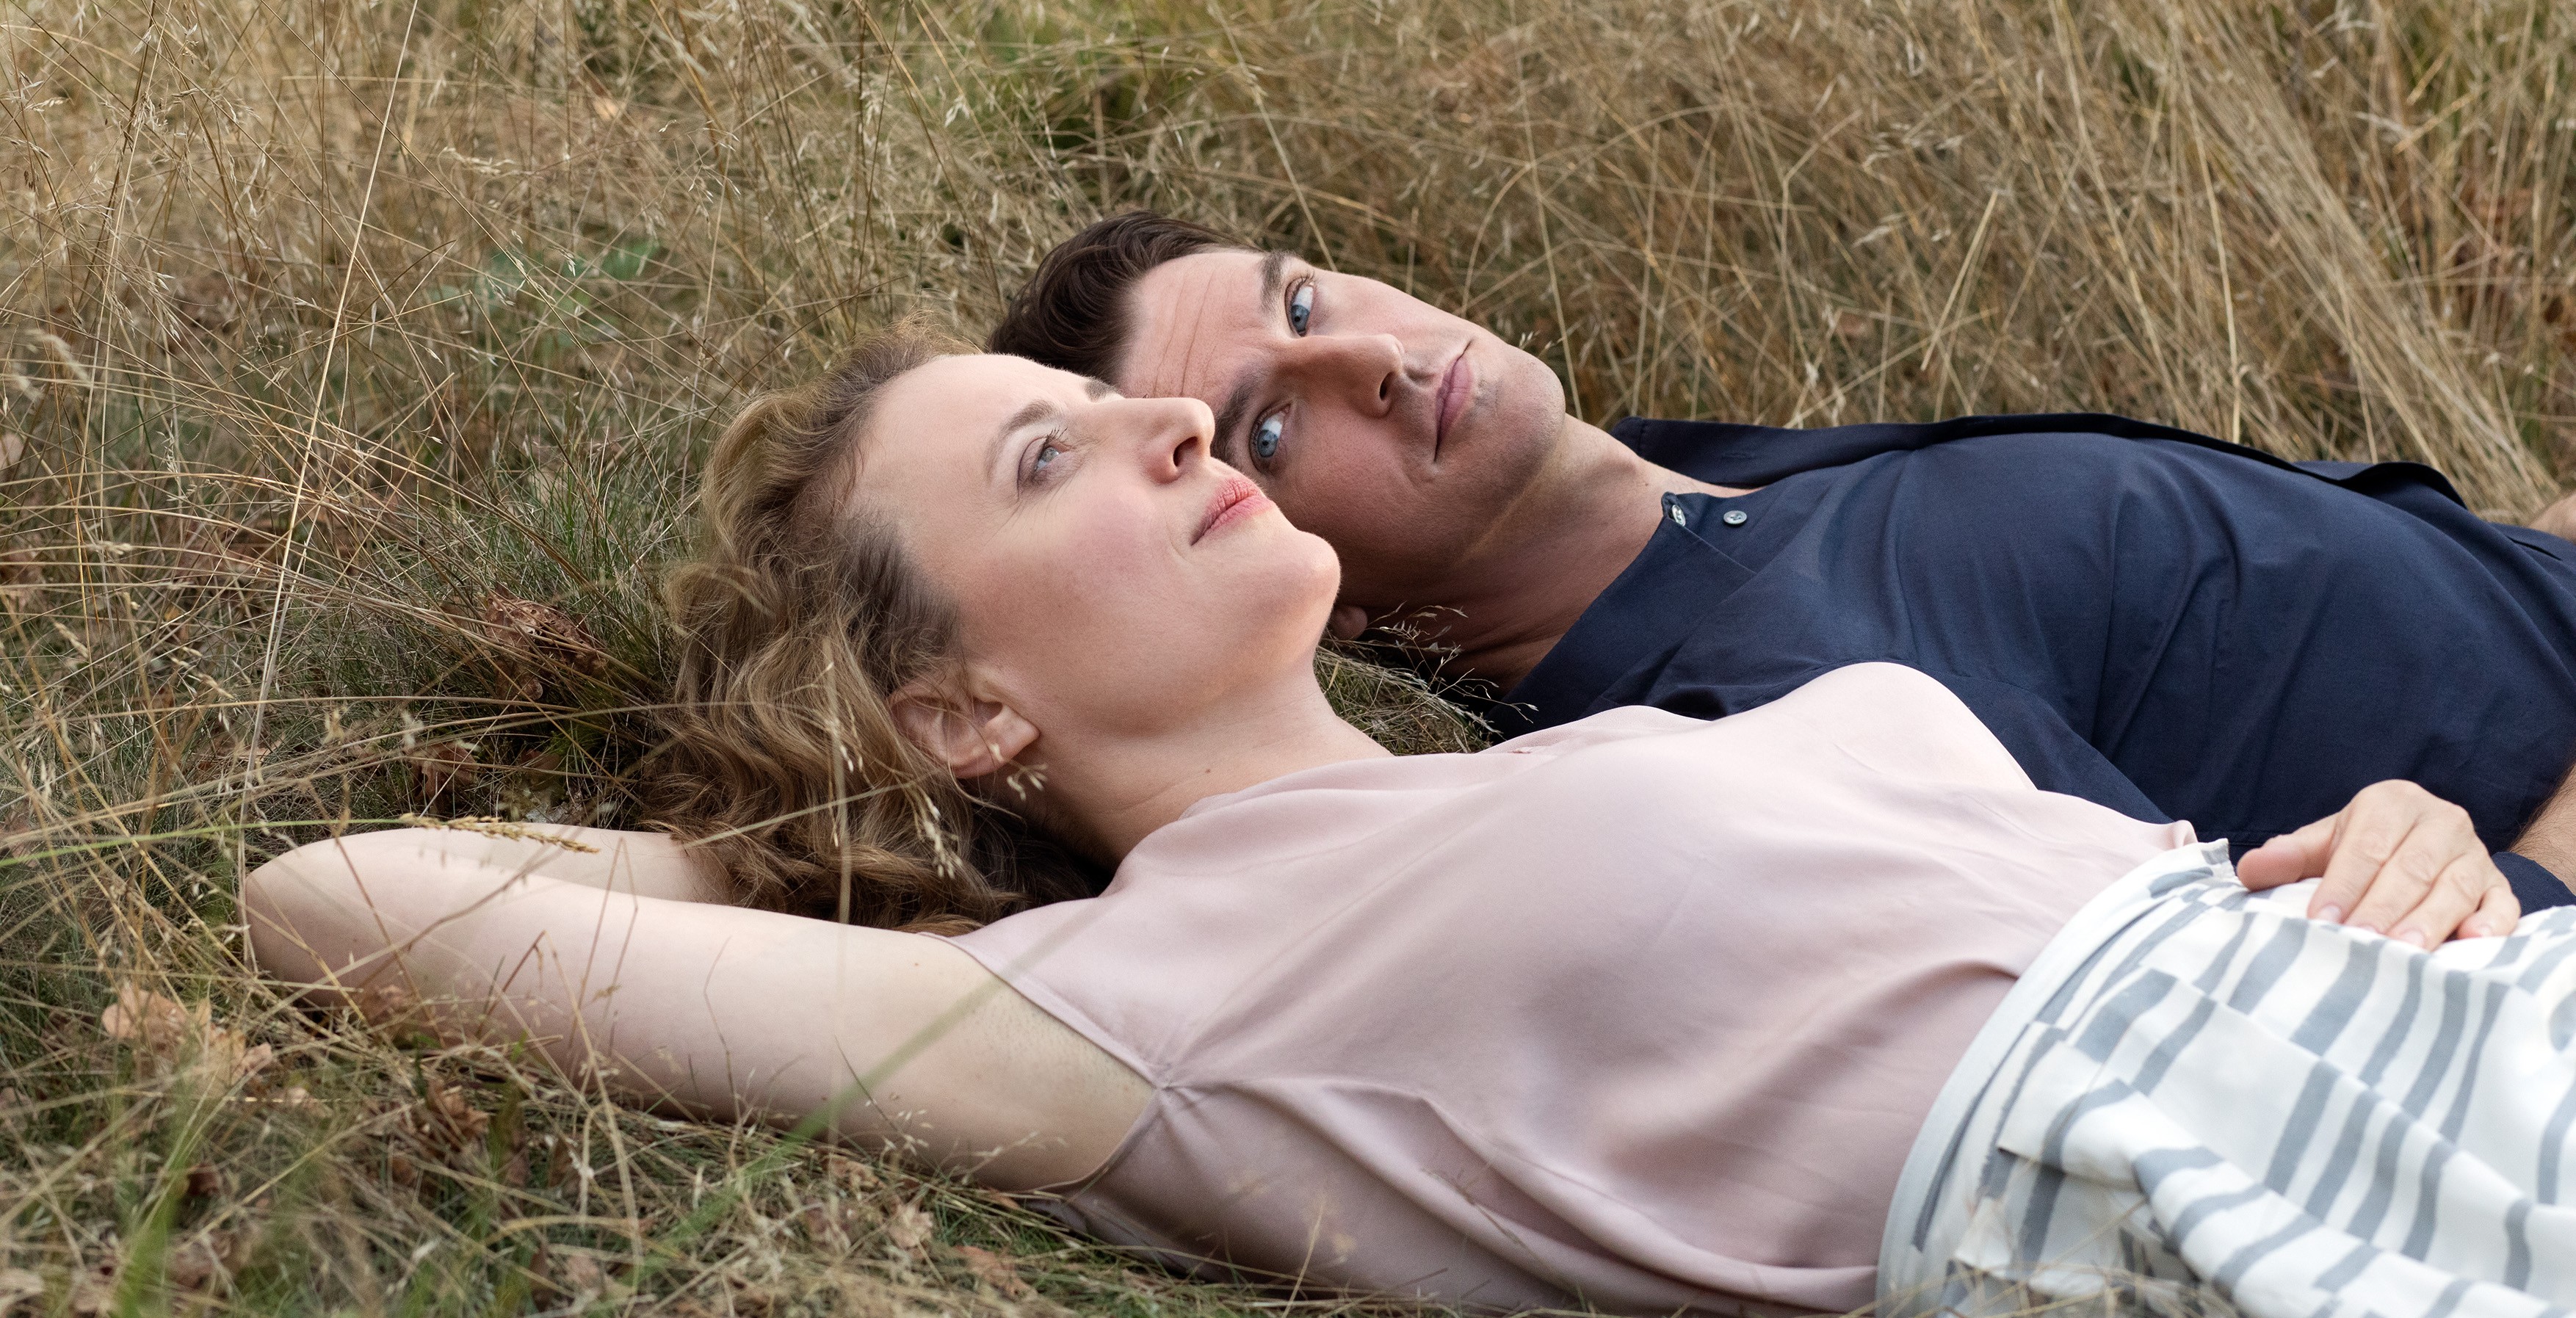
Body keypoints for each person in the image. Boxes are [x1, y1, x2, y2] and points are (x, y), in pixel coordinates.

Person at [247, 334, 2576, 1318]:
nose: (1169, 422)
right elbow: (341, 901)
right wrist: (844, 838)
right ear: (960, 704)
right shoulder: (1144, 998)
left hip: (2465, 1016)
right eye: (1051, 458)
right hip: (2300, 1213)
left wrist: (2406, 832)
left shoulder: (1569, 751)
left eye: (1122, 399)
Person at [987, 211, 2576, 909]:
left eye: (1303, 301)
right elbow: (2312, 1016)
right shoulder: (1771, 717)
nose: (1371, 363)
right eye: (1271, 431)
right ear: (1297, 574)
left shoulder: (1699, 487)